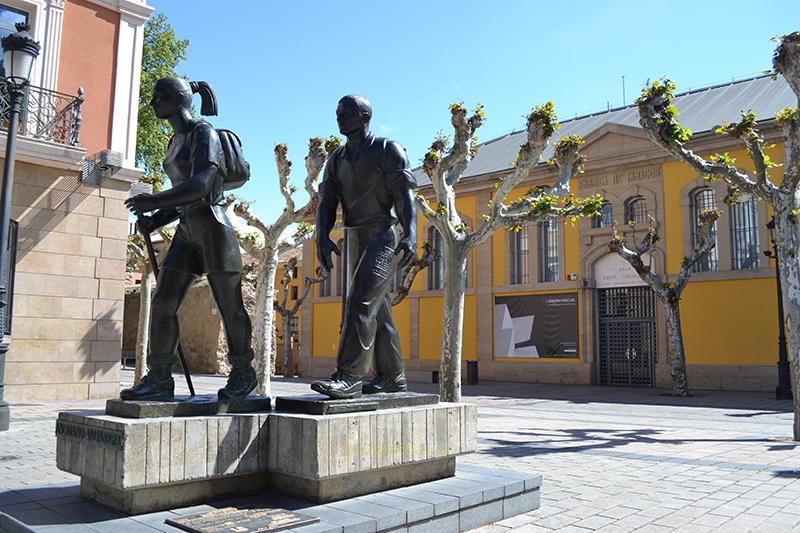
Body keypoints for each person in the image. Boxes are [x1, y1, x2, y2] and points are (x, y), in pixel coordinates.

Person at [121, 77, 255, 401]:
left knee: (229, 305)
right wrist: (156, 219)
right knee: (164, 302)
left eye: (159, 97)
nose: (152, 103)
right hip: (187, 229)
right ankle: (160, 378)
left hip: (213, 226)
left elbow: (201, 185)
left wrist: (152, 201)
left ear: (178, 100)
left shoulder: (203, 133)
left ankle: (243, 373)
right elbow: (183, 200)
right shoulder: (174, 142)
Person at [311, 95, 417, 399]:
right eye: (337, 113)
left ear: (364, 116)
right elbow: (327, 202)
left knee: (359, 301)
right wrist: (321, 235)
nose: (340, 118)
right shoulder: (336, 160)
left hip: (383, 237)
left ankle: (349, 376)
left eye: (346, 113)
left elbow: (404, 196)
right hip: (355, 239)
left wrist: (410, 233)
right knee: (377, 310)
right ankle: (393, 377)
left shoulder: (387, 150)